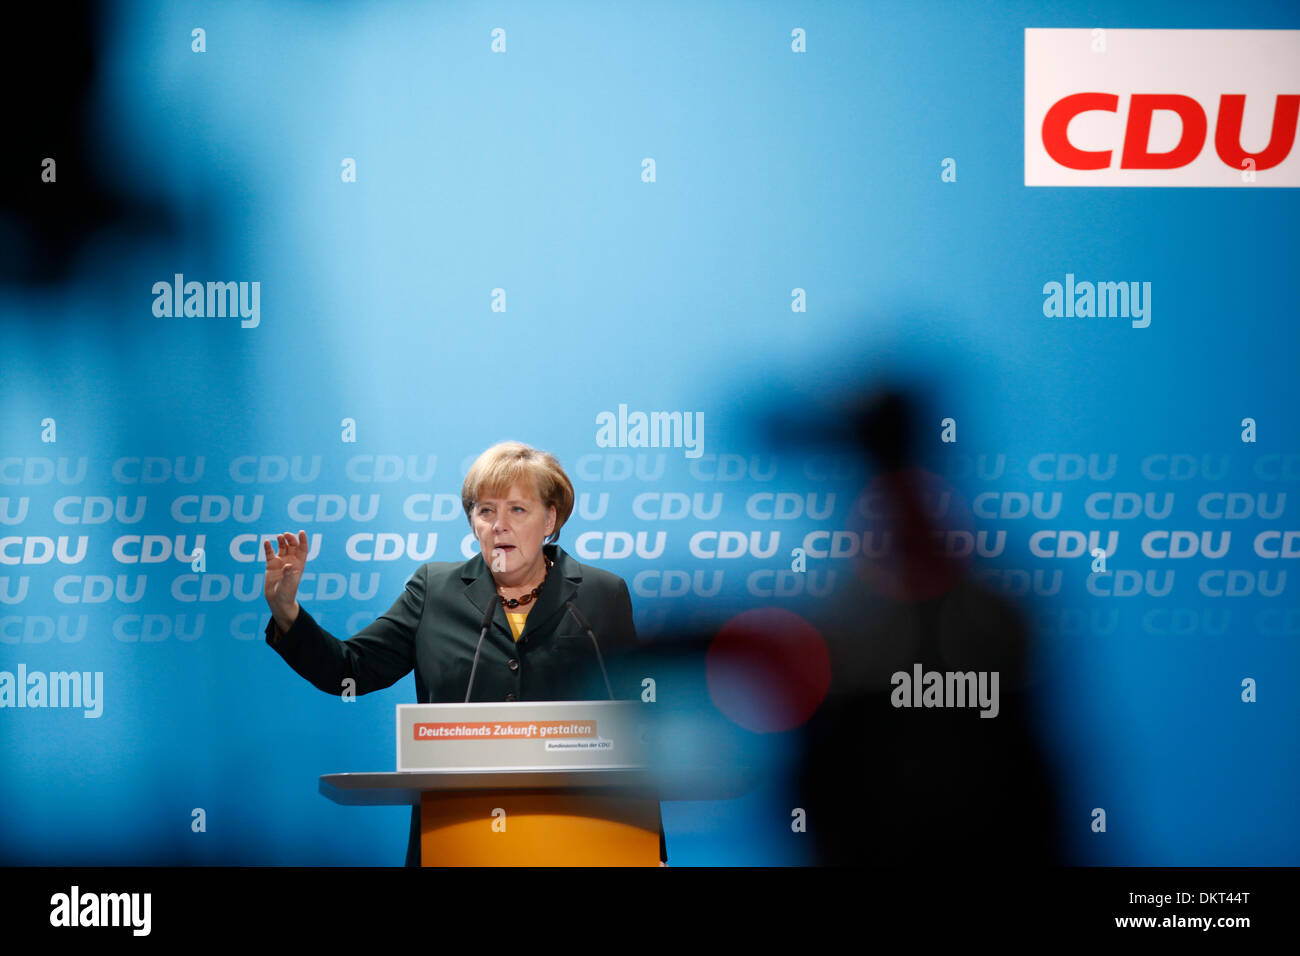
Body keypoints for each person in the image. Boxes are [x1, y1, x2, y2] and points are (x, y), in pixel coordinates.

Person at [262, 440, 664, 865]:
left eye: (517, 510)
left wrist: (651, 846)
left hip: (580, 835)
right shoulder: (435, 591)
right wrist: (286, 610)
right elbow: (351, 670)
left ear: (550, 519)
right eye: (485, 510)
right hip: (458, 835)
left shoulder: (601, 595)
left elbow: (636, 728)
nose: (498, 525)